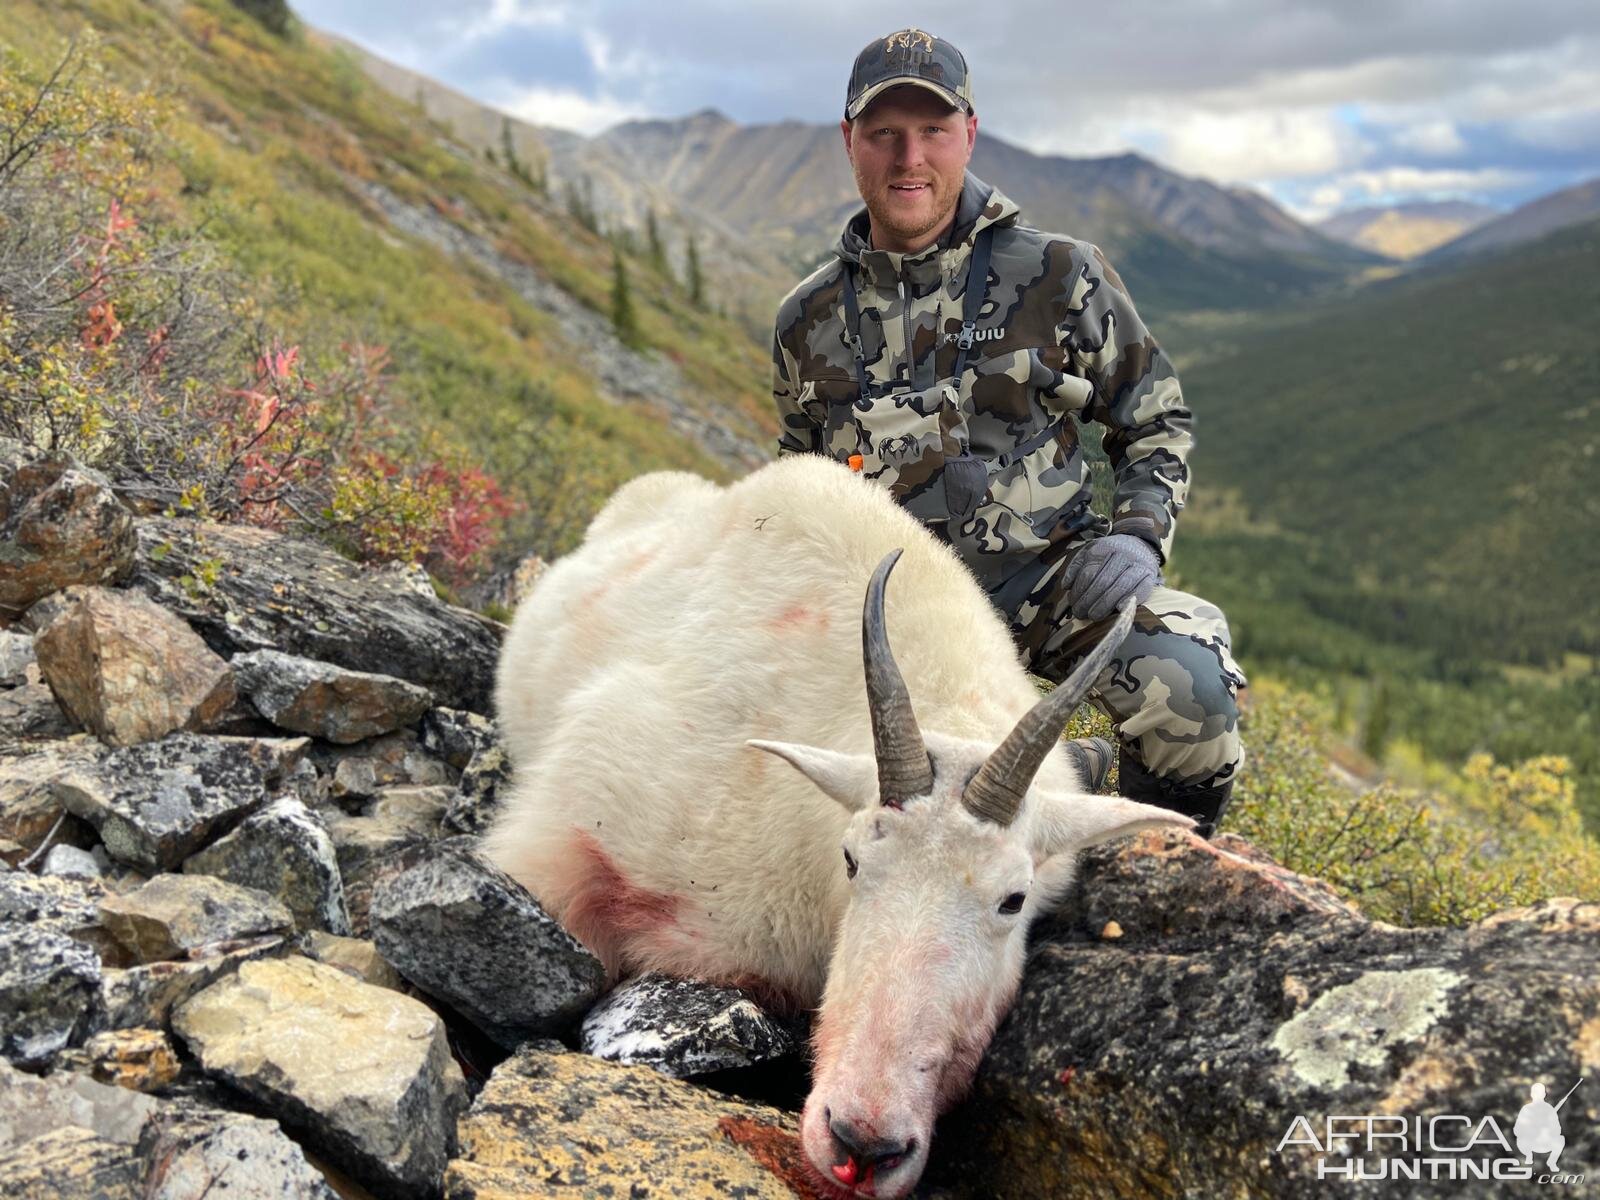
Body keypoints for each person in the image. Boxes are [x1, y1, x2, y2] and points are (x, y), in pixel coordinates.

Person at [770, 28, 1246, 835]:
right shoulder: (806, 318)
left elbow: (1155, 418)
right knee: (789, 779)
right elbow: (795, 480)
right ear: (850, 141)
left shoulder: (1059, 273)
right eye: (883, 133)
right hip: (891, 616)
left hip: (1048, 585)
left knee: (1190, 689)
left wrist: (1136, 535)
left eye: (932, 132)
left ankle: (1151, 869)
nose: (908, 157)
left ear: (970, 134)